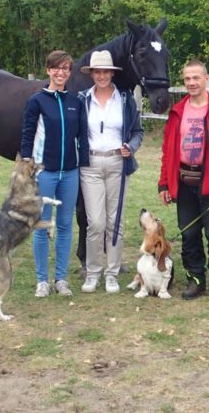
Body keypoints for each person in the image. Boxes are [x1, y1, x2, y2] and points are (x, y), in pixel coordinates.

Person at [158, 59, 209, 302]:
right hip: (183, 184)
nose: (191, 83)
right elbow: (168, 151)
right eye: (187, 79)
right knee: (189, 235)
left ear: (206, 79)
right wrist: (164, 184)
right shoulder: (177, 112)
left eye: (196, 78)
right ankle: (195, 279)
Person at [20, 50, 88, 297]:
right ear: (48, 70)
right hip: (45, 173)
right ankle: (42, 280)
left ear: (70, 73)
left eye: (66, 69)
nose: (61, 73)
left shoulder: (75, 102)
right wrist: (28, 165)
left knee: (65, 224)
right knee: (41, 225)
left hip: (69, 173)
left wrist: (83, 164)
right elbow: (27, 135)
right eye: (56, 68)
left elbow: (81, 137)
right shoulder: (36, 101)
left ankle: (60, 278)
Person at [78, 50, 144, 294]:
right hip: (91, 165)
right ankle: (93, 272)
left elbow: (138, 131)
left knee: (114, 222)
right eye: (98, 71)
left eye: (106, 71)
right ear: (92, 74)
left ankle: (112, 274)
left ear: (112, 74)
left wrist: (131, 146)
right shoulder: (83, 99)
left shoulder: (125, 100)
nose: (102, 75)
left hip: (118, 163)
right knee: (95, 222)